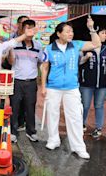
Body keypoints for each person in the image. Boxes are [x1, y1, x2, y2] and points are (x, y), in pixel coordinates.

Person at [41, 18, 100, 159]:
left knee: (75, 116)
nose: (71, 34)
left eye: (72, 31)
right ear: (58, 34)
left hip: (72, 87)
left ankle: (78, 147)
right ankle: (53, 140)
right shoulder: (49, 49)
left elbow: (96, 43)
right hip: (53, 87)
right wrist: (43, 86)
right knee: (52, 113)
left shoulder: (76, 45)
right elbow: (44, 68)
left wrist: (91, 28)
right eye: (67, 31)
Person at [7, 20, 43, 143]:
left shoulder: (38, 45)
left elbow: (40, 63)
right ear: (22, 30)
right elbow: (11, 62)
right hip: (16, 81)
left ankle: (31, 131)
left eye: (32, 28)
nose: (30, 31)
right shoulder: (15, 44)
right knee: (15, 107)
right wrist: (10, 49)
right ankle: (13, 132)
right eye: (27, 28)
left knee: (30, 107)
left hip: (31, 82)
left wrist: (38, 79)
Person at [79, 27, 106, 138]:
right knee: (84, 106)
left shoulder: (105, 49)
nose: (105, 35)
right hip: (86, 84)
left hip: (102, 84)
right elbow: (79, 63)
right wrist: (85, 57)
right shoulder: (85, 48)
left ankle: (98, 128)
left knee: (99, 105)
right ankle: (81, 125)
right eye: (103, 33)